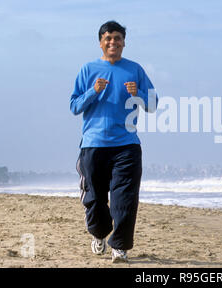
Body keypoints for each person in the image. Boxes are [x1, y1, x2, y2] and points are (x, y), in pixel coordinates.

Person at [70, 20, 158, 263]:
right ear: (100, 43)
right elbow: (74, 106)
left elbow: (153, 104)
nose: (113, 42)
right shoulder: (88, 70)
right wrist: (93, 91)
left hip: (127, 145)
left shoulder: (135, 70)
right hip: (93, 145)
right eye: (108, 38)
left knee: (125, 199)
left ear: (124, 43)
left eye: (117, 38)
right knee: (95, 199)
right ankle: (98, 233)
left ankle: (120, 247)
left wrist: (137, 94)